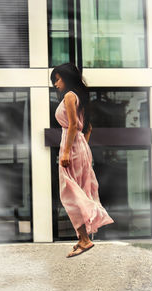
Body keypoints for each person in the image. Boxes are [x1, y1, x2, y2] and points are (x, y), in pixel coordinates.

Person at [50, 63, 115, 258]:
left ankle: (85, 238)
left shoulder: (70, 96)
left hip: (72, 146)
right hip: (79, 146)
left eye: (57, 79)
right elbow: (88, 128)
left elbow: (71, 127)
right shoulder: (78, 97)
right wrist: (81, 147)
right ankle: (83, 238)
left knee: (68, 193)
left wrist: (67, 152)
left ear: (67, 78)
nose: (55, 84)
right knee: (76, 190)